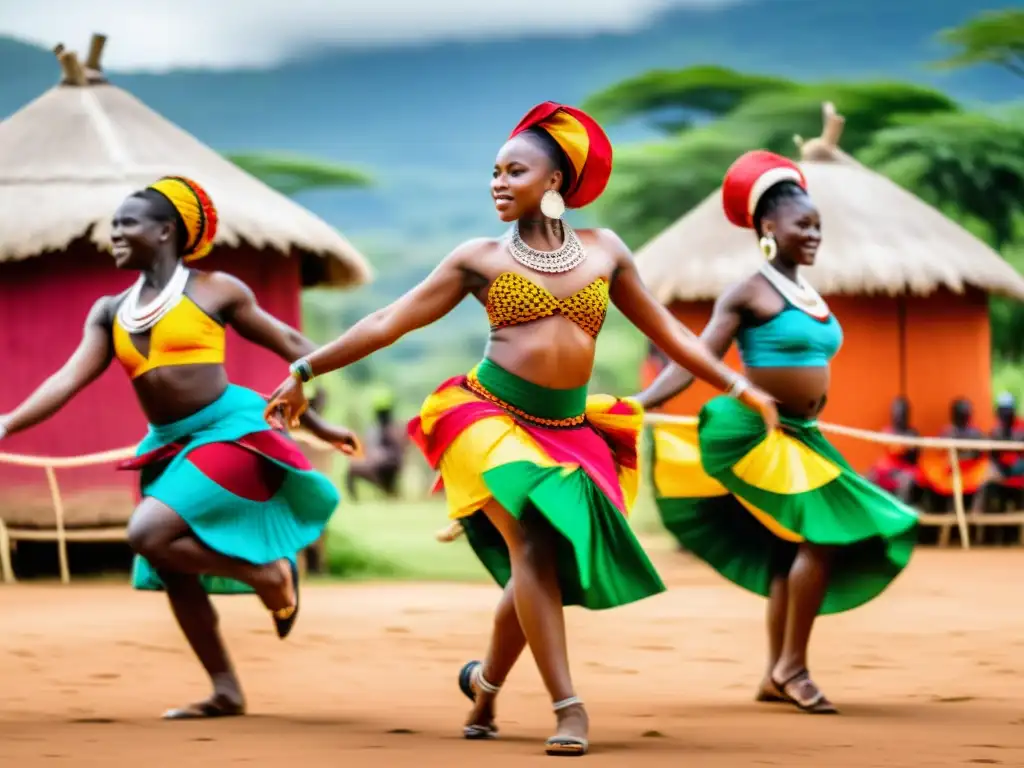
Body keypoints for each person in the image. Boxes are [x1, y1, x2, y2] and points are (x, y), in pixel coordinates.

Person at [265, 102, 778, 756]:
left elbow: (672, 333)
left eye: (515, 170)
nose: (498, 182)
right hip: (484, 414)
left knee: (539, 568)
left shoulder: (605, 252)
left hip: (567, 425)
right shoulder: (477, 259)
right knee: (533, 540)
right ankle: (569, 707)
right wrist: (303, 369)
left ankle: (483, 687)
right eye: (494, 171)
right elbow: (387, 321)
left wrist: (738, 383)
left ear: (556, 180)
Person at [0, 176, 359, 719]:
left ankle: (268, 574)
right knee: (171, 563)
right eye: (114, 224)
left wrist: (317, 414)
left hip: (230, 430)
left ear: (166, 230)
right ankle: (226, 690)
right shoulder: (110, 310)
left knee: (146, 531)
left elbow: (295, 347)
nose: (113, 234)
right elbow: (66, 380)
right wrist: (5, 424)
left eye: (127, 223)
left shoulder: (216, 290)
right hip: (169, 445)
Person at [635, 150, 919, 715]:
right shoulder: (747, 293)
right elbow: (694, 359)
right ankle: (793, 665)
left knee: (787, 548)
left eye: (818, 226)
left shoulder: (810, 295)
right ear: (769, 228)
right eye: (803, 225)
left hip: (803, 434)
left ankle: (773, 673)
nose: (814, 235)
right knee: (820, 535)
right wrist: (635, 405)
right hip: (757, 432)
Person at [345, 387, 408, 500]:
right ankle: (356, 502)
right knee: (351, 468)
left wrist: (382, 456)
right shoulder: (375, 429)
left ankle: (391, 493)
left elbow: (399, 455)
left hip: (388, 468)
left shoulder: (394, 429)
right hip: (376, 467)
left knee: (390, 490)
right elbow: (368, 449)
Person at [866, 396, 923, 505]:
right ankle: (874, 508)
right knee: (870, 476)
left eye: (902, 414)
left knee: (907, 481)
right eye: (896, 413)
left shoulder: (912, 433)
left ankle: (901, 513)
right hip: (888, 467)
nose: (898, 417)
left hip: (906, 468)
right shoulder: (887, 431)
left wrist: (907, 449)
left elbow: (915, 458)